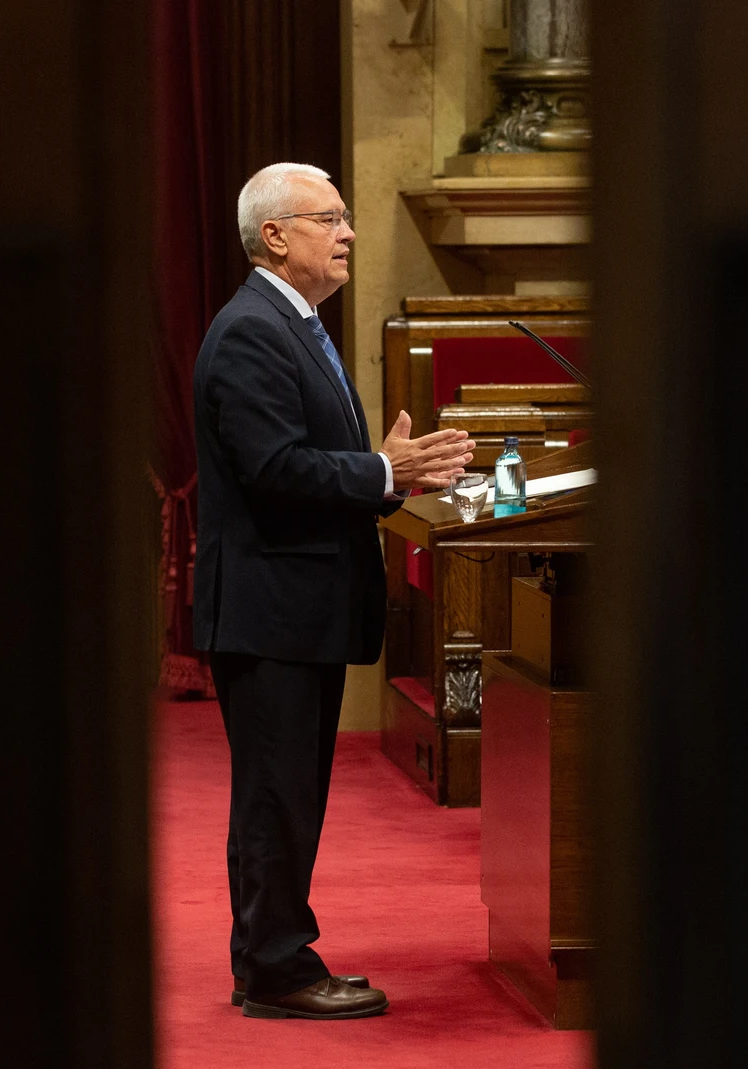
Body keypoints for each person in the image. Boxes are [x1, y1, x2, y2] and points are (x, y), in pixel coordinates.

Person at [191, 162, 475, 1020]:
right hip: (270, 607)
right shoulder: (251, 331)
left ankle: (280, 952)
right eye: (332, 218)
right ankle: (274, 967)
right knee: (276, 793)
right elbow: (274, 470)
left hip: (298, 604)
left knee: (292, 792)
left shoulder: (297, 325)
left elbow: (310, 465)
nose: (349, 232)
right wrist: (385, 467)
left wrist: (381, 473)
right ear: (275, 235)